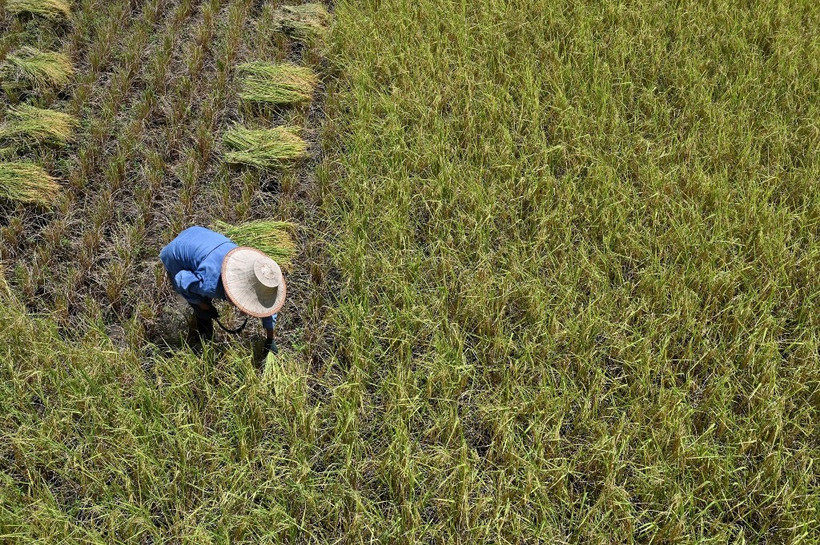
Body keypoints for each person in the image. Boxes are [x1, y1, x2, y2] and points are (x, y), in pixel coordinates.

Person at [160, 226, 286, 355]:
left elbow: (267, 307)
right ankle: (204, 339)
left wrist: (270, 338)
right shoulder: (212, 284)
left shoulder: (258, 270)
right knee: (201, 305)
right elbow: (181, 279)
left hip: (199, 235)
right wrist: (202, 306)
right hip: (175, 254)